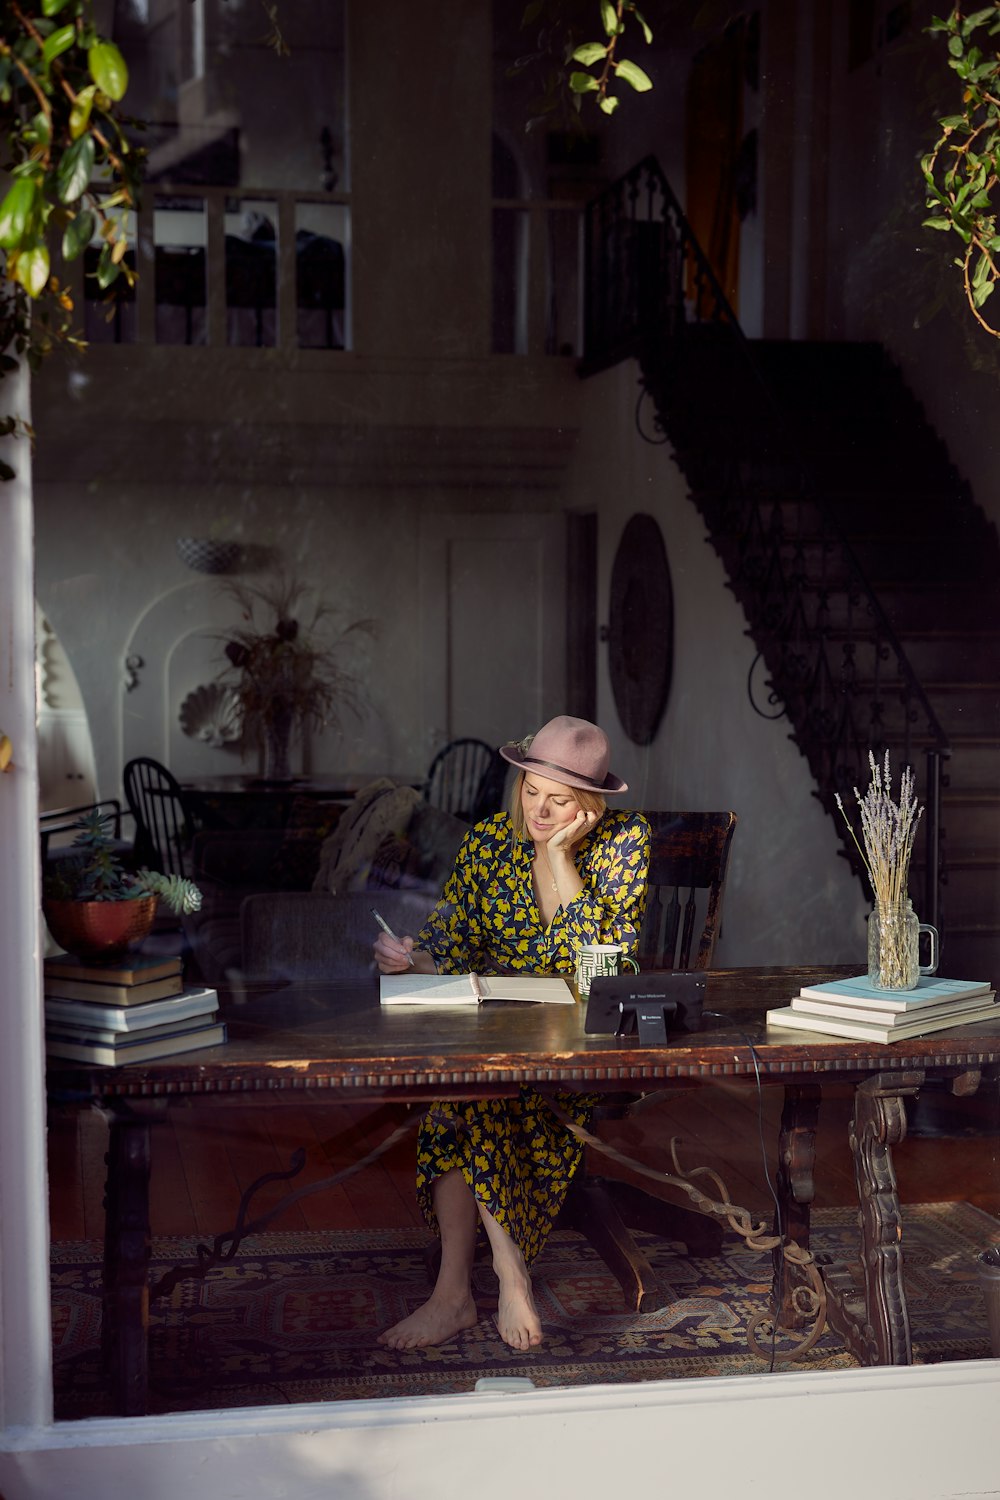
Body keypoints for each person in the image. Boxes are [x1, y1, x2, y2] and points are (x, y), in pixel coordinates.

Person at [374, 715, 650, 1353]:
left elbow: (596, 968)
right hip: (499, 1033)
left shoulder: (625, 841)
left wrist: (555, 860)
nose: (540, 812)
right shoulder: (491, 841)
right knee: (466, 1088)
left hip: (587, 1044)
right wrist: (410, 957)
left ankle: (466, 1289)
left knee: (476, 1092)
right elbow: (449, 944)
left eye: (559, 802)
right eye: (531, 793)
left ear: (589, 804)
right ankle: (490, 1278)